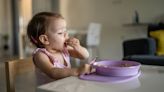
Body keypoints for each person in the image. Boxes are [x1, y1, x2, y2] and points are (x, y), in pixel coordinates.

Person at [27, 12, 92, 85]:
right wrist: (77, 71)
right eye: (60, 33)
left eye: (65, 31)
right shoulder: (40, 55)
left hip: (64, 87)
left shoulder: (64, 49)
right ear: (45, 39)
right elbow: (53, 72)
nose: (66, 35)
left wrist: (78, 47)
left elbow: (85, 56)